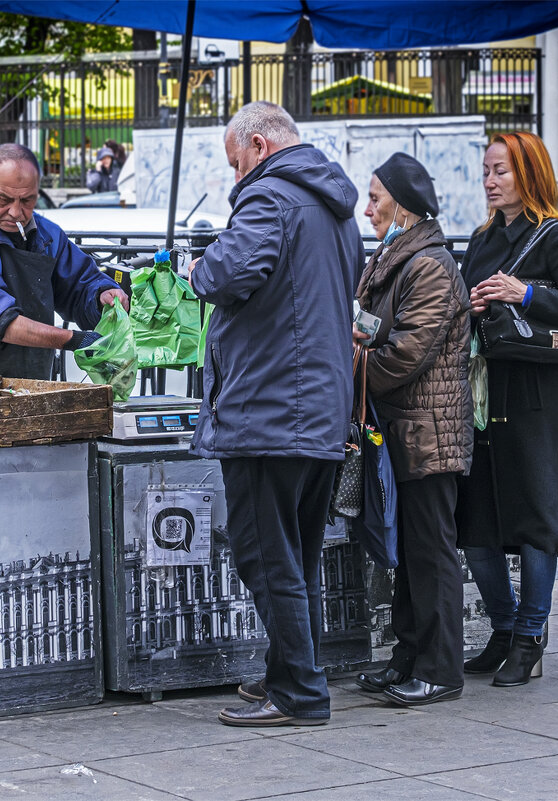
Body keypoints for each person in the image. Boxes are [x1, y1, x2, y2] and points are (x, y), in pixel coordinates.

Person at [187, 101, 363, 727]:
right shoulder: (334, 206)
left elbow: (231, 273)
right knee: (298, 554)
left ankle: (301, 693)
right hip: (317, 408)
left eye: (236, 162)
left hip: (270, 410)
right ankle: (290, 673)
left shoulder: (270, 199)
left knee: (263, 555)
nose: (236, 176)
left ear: (257, 145)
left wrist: (198, 265)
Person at [456, 132, 558, 687]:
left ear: (529, 174)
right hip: (482, 394)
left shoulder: (556, 237)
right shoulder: (480, 239)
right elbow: (469, 316)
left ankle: (530, 634)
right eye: (487, 171)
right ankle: (503, 625)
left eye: (502, 171)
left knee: (537, 518)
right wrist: (469, 306)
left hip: (535, 398)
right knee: (476, 523)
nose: (491, 181)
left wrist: (527, 295)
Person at [351, 152, 473, 706]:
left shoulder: (429, 265)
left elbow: (406, 353)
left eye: (375, 196)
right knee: (409, 552)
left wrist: (354, 371)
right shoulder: (396, 257)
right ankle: (407, 658)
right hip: (399, 427)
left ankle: (441, 668)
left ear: (401, 202)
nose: (368, 207)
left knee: (431, 552)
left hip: (428, 431)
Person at [0, 143, 127, 380]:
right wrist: (75, 340)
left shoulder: (47, 235)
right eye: (4, 199)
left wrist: (103, 296)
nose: (16, 212)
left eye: (26, 200)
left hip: (30, 385)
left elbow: (79, 284)